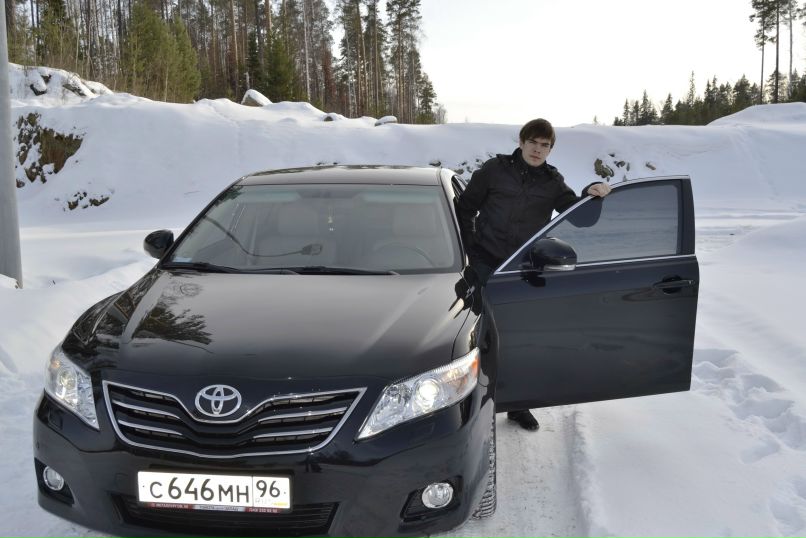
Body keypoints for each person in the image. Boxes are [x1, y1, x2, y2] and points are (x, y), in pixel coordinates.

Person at [456, 118, 611, 432]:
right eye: (534, 143)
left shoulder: (552, 182)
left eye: (545, 145)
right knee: (479, 337)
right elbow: (465, 208)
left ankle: (517, 405)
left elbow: (578, 217)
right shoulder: (494, 171)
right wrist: (471, 250)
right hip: (486, 264)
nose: (538, 150)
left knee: (521, 340)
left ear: (550, 149)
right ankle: (472, 405)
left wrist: (592, 194)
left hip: (523, 270)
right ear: (522, 141)